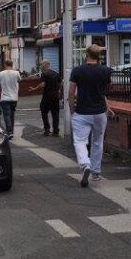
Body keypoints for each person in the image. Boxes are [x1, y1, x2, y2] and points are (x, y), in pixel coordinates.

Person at [67, 44, 114, 187]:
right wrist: (107, 107)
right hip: (100, 112)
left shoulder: (77, 71)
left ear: (86, 55)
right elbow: (103, 91)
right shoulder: (106, 71)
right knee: (98, 142)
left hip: (82, 112)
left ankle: (84, 164)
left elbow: (71, 93)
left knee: (80, 141)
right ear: (98, 56)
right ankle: (96, 172)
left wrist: (72, 109)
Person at [32, 60, 62, 136]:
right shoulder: (56, 73)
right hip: (55, 97)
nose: (40, 66)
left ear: (46, 65)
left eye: (41, 65)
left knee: (44, 111)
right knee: (55, 114)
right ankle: (56, 132)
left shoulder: (44, 74)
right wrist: (59, 92)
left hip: (47, 97)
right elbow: (60, 84)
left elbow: (42, 85)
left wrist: (34, 89)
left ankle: (47, 129)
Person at [0, 59, 21, 139]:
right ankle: (11, 131)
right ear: (12, 65)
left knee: (6, 116)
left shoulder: (1, 74)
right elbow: (19, 80)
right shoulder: (16, 73)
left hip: (5, 98)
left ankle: (9, 132)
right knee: (12, 115)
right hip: (14, 98)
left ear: (5, 65)